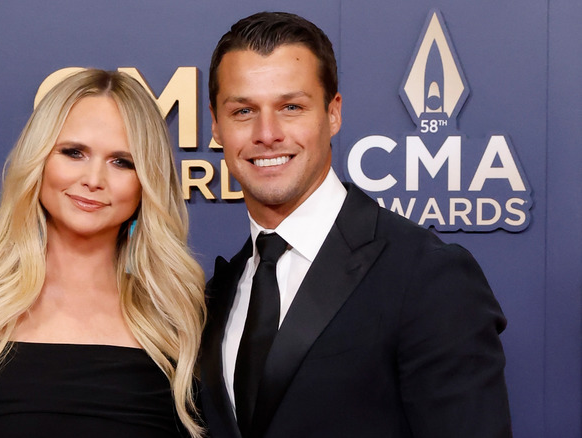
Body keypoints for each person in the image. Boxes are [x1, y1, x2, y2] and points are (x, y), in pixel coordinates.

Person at [199, 11, 512, 438]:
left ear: (333, 114)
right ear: (216, 124)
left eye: (291, 107)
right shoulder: (215, 295)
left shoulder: (427, 276)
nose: (266, 132)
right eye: (243, 111)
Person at [0, 69, 206, 438]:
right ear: (39, 160)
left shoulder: (173, 312)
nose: (93, 179)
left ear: (146, 181)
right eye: (73, 152)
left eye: (122, 161)